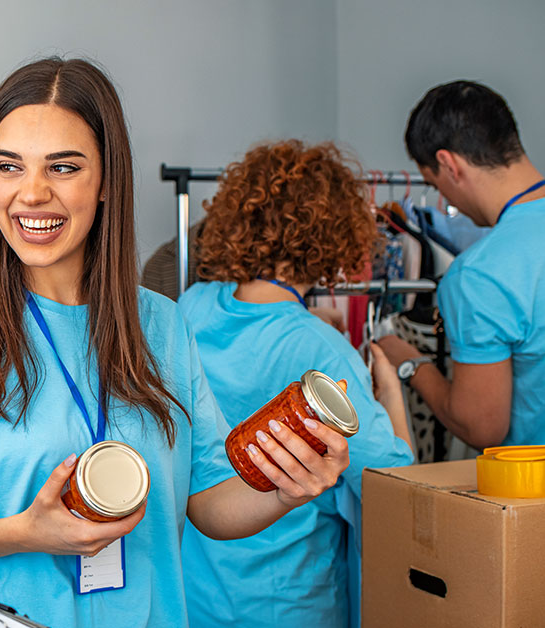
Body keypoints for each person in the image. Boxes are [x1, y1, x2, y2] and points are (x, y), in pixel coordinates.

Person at [0, 58, 351, 628]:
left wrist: (287, 489)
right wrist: (24, 532)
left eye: (63, 167)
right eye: (8, 167)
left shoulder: (163, 327)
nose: (31, 194)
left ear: (106, 183)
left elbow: (209, 503)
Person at [176, 140, 415, 628]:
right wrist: (391, 392)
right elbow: (395, 483)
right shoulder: (321, 352)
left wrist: (304, 318)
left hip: (198, 593)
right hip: (287, 602)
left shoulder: (193, 304)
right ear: (336, 236)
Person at [378, 80, 545, 449]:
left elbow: (482, 427)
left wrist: (411, 364)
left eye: (434, 185)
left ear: (448, 164)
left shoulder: (478, 275)